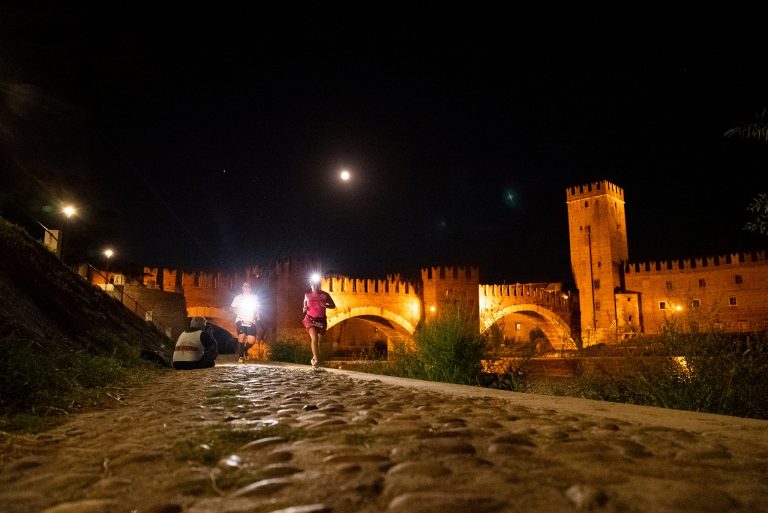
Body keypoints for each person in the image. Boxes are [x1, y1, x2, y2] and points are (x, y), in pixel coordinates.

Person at [302, 274, 336, 368]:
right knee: (314, 338)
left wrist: (327, 306)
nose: (314, 285)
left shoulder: (325, 295)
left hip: (321, 320)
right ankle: (317, 360)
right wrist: (304, 308)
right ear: (310, 284)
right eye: (313, 283)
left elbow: (333, 305)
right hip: (310, 319)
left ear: (318, 284)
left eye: (316, 284)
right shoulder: (307, 294)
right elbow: (304, 307)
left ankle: (314, 357)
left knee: (319, 342)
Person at [230, 282, 264, 362]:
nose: (247, 288)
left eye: (248, 287)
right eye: (245, 286)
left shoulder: (254, 298)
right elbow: (231, 308)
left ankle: (244, 350)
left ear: (251, 288)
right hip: (241, 319)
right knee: (241, 336)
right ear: (242, 288)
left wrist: (256, 316)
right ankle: (241, 356)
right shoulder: (238, 298)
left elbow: (258, 308)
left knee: (251, 340)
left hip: (251, 320)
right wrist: (237, 312)